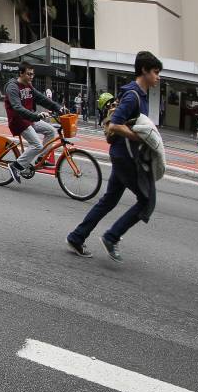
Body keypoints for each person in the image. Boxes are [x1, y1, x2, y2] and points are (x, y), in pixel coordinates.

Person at [67, 51, 163, 262]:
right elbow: (114, 124)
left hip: (121, 155)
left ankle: (77, 237)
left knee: (109, 200)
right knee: (147, 201)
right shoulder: (133, 95)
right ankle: (112, 236)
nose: (158, 77)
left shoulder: (138, 94)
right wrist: (138, 137)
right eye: (156, 72)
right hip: (126, 158)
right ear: (144, 71)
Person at [3, 61, 67, 182]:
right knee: (37, 144)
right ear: (21, 73)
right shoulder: (13, 87)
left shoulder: (29, 85)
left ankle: (41, 159)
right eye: (29, 74)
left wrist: (58, 108)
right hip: (18, 121)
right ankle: (15, 166)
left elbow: (41, 98)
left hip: (29, 119)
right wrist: (36, 116)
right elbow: (17, 107)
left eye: (32, 74)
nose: (31, 76)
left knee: (50, 131)